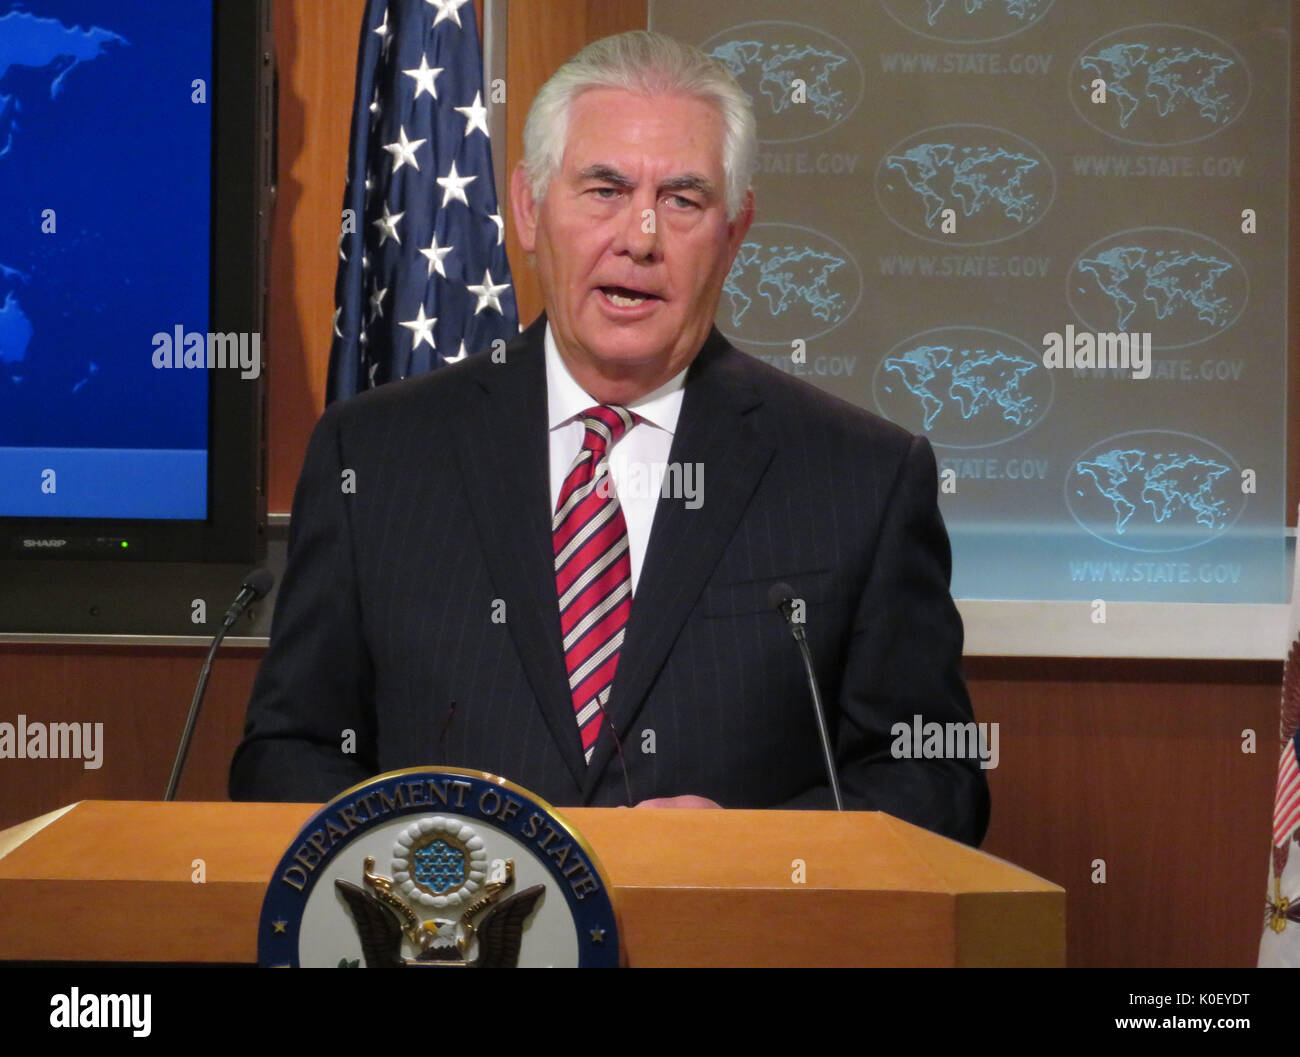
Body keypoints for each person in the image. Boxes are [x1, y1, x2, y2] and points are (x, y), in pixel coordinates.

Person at [230, 31, 989, 846]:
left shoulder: (861, 477)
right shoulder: (374, 457)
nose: (641, 236)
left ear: (735, 232)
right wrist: (424, 868)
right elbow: (286, 752)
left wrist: (751, 847)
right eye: (603, 188)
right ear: (527, 208)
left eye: (685, 200)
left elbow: (935, 780)